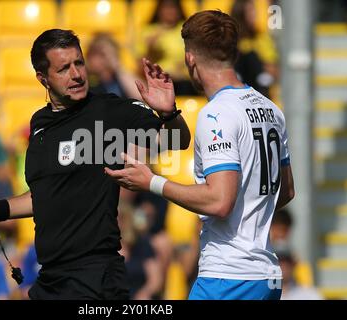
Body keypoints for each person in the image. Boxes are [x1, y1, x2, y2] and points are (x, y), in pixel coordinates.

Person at [0, 29, 191, 300]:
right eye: (63, 69)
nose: (76, 74)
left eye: (79, 63)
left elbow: (178, 139)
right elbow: (43, 197)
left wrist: (168, 112)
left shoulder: (107, 111)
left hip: (96, 278)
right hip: (49, 278)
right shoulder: (39, 125)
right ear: (43, 78)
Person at [105, 10, 295, 300]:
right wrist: (168, 114)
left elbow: (219, 202)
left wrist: (152, 182)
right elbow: (286, 191)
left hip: (228, 277)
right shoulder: (271, 109)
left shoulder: (216, 114)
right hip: (264, 277)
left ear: (190, 57)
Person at [86, 32, 141, 100]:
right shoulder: (86, 81)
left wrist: (118, 67)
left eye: (105, 55)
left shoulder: (120, 78)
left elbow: (140, 96)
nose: (103, 60)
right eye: (98, 54)